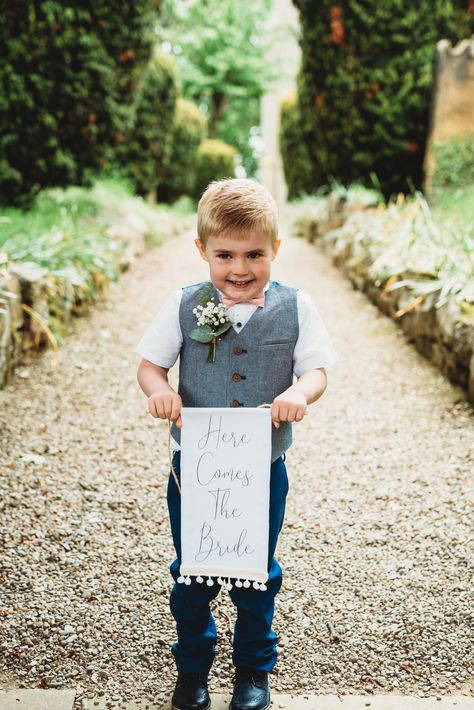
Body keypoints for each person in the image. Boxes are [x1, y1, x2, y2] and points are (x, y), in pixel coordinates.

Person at [134, 178, 338, 710]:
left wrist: (299, 392)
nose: (240, 268)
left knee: (256, 571)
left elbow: (316, 370)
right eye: (224, 255)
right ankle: (193, 670)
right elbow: (150, 366)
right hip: (195, 464)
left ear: (276, 249)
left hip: (261, 464)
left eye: (254, 254)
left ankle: (252, 671)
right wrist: (161, 393)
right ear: (202, 250)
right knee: (193, 569)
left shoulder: (296, 306)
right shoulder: (183, 304)